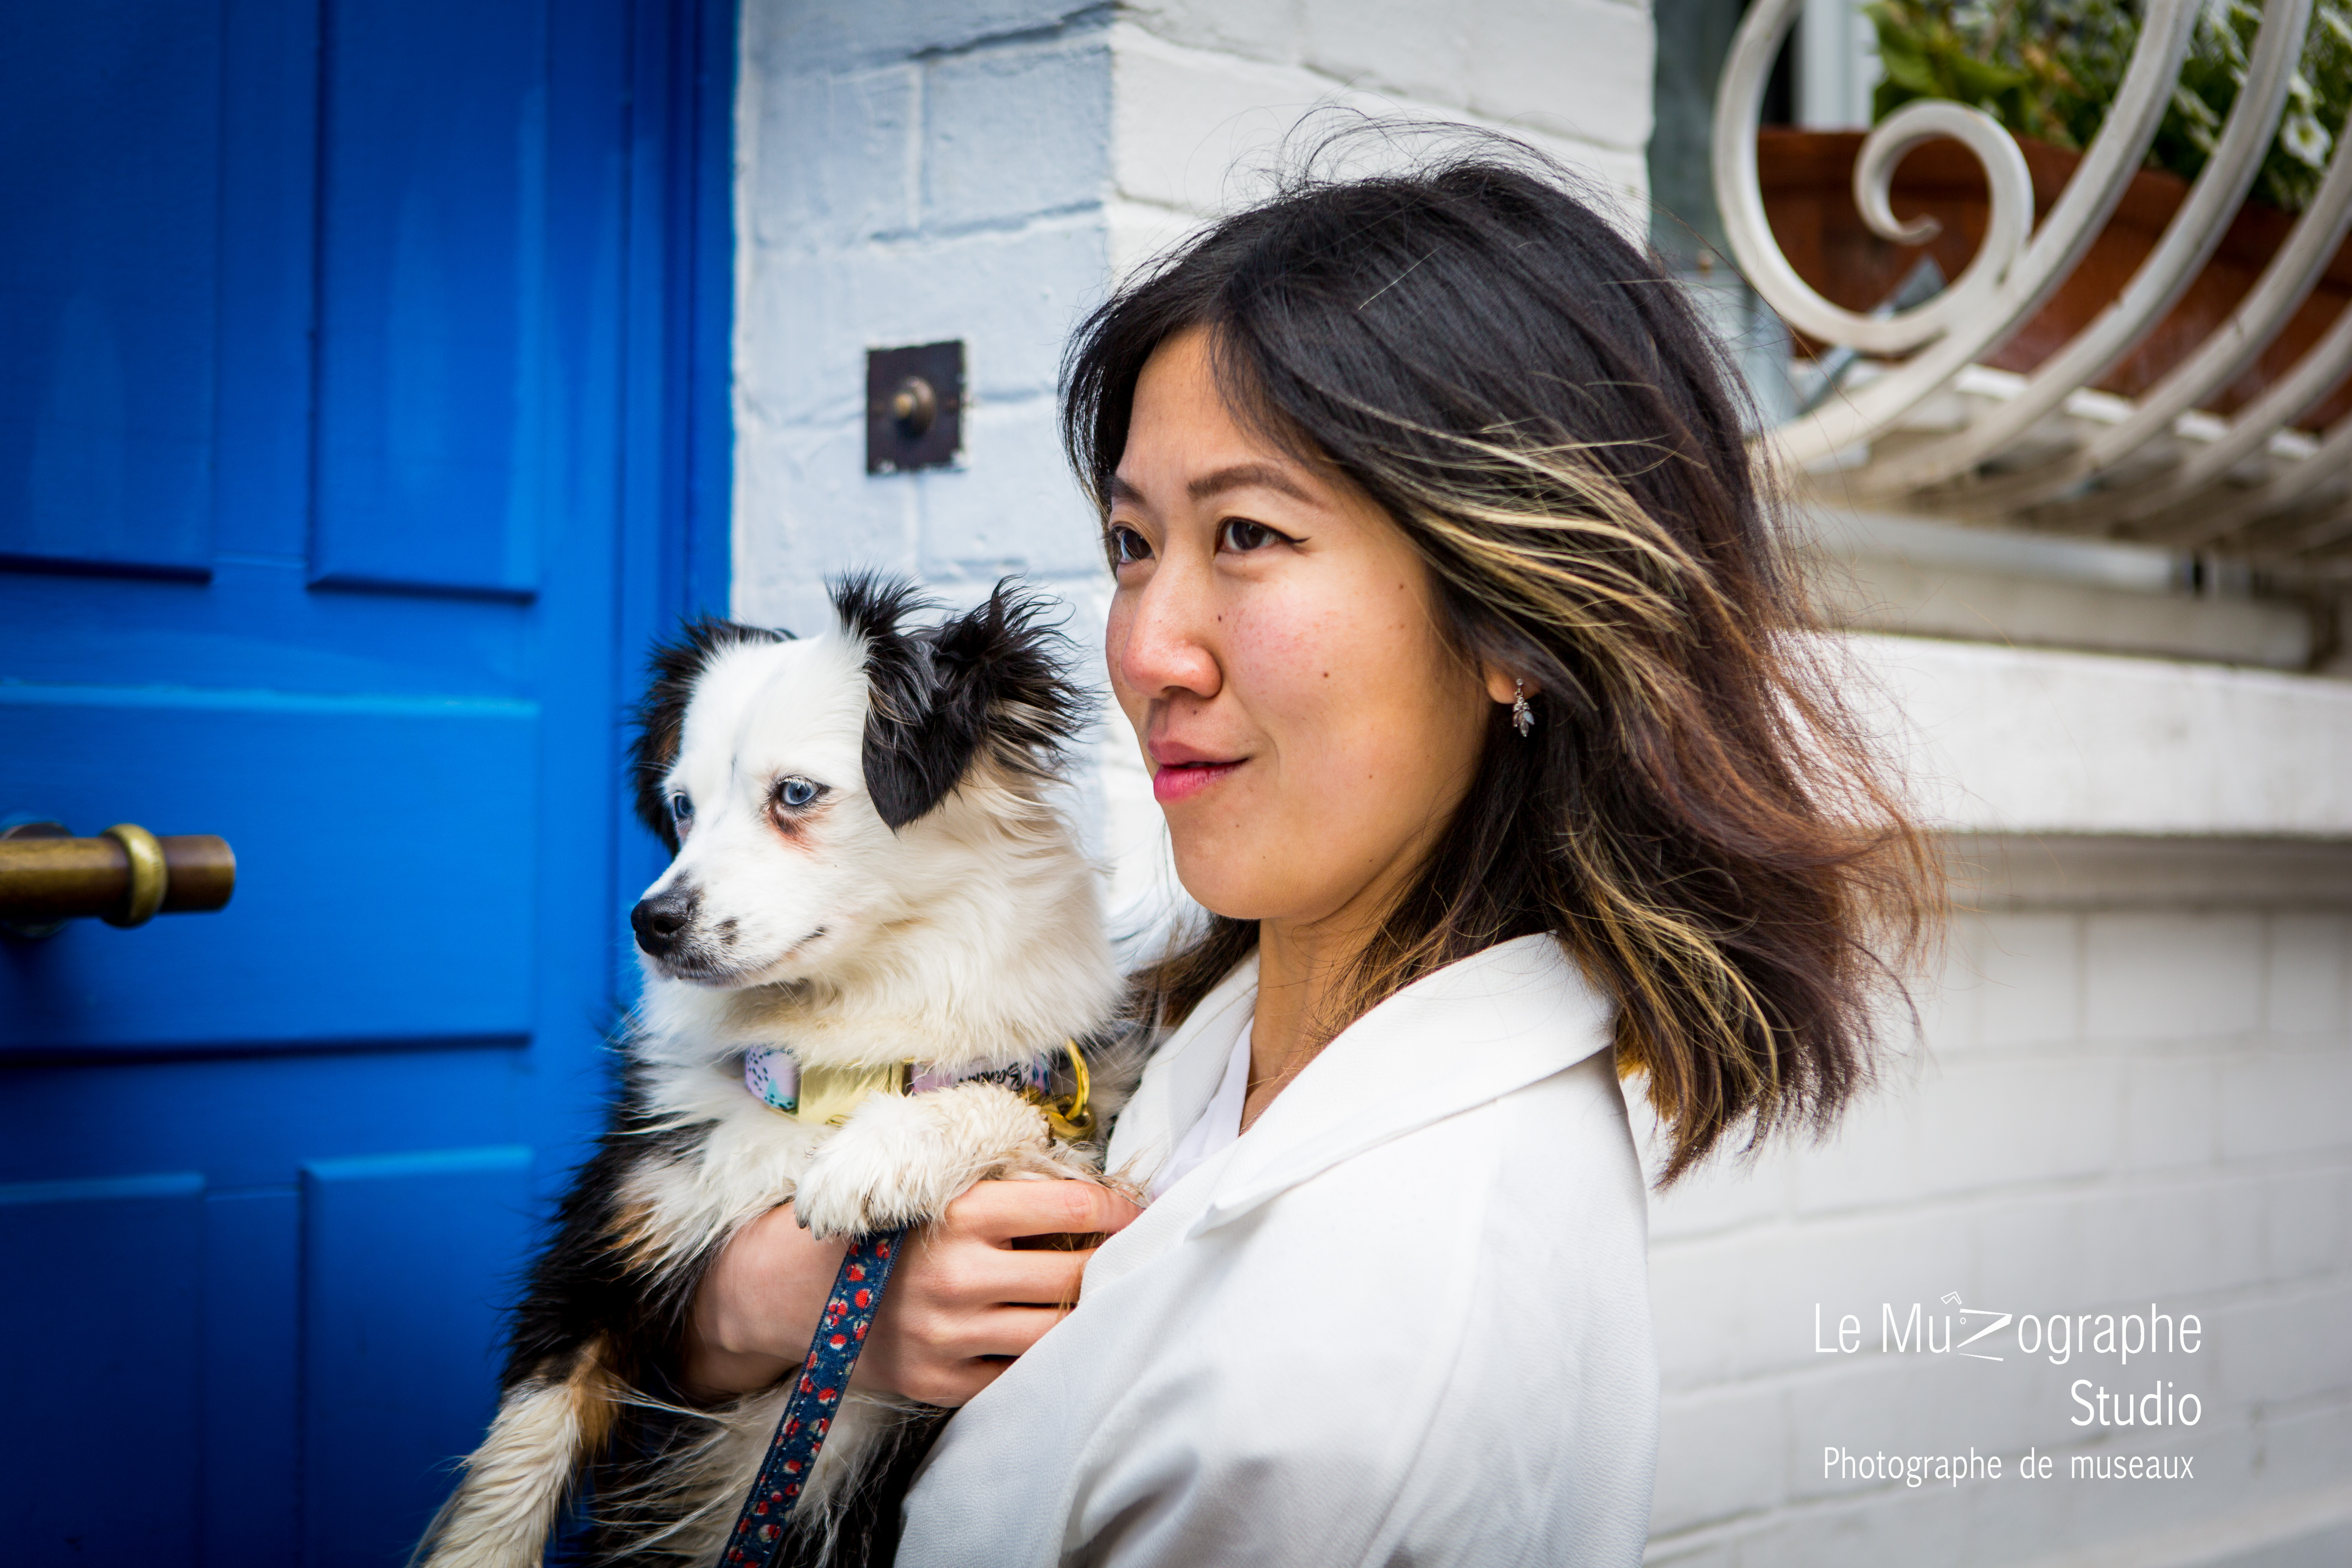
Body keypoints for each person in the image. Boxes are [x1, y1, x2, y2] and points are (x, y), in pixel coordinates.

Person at [686, 132, 1931, 1565]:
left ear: (1513, 621)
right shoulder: (1205, 1036)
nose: (1147, 649)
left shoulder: (1344, 1384)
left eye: (1252, 535)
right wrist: (764, 1310)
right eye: (1132, 543)